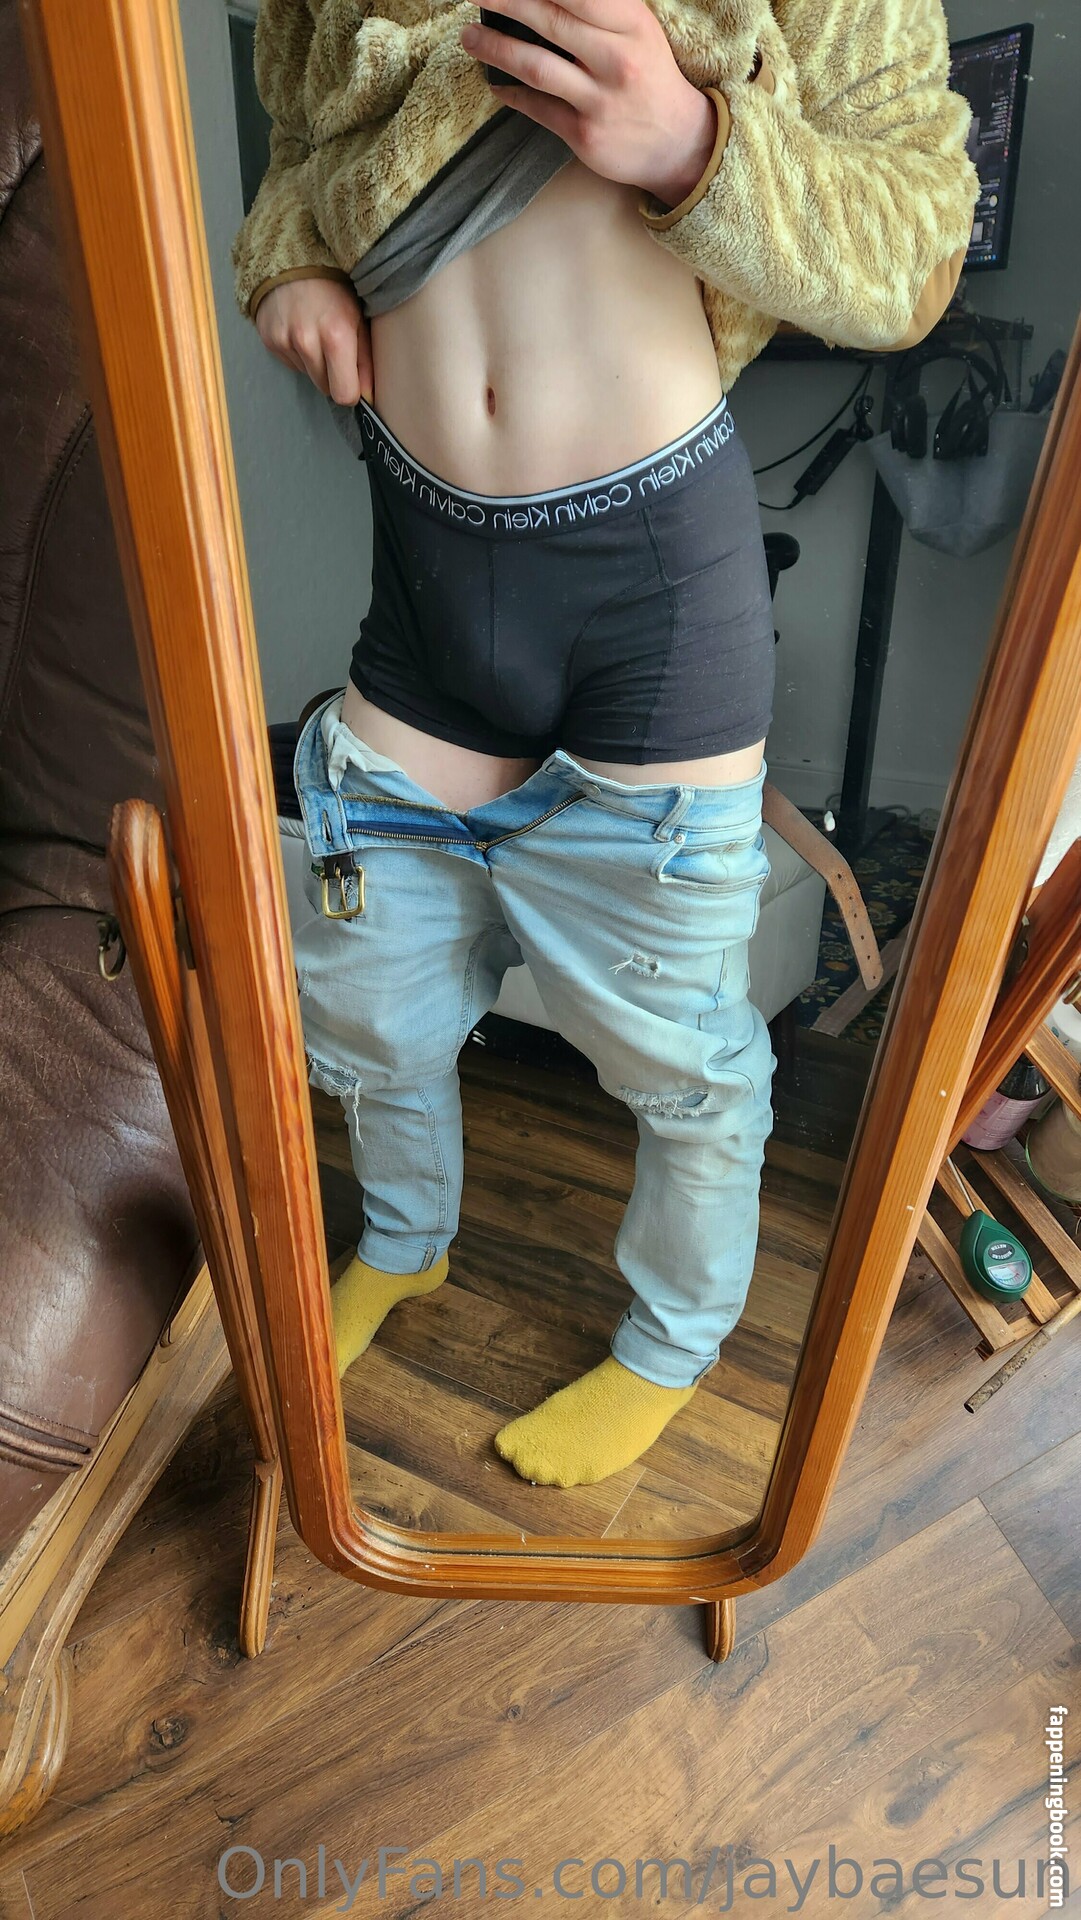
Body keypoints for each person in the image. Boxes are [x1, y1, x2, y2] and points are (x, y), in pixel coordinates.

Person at [233, 0, 979, 1487]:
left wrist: (701, 145)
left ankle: (671, 1341)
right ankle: (405, 1243)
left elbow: (917, 248)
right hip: (420, 566)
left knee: (675, 1054)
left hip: (654, 588)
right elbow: (303, 156)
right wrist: (288, 262)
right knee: (370, 1000)